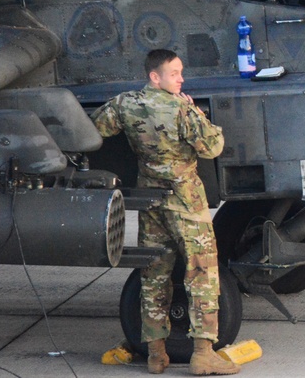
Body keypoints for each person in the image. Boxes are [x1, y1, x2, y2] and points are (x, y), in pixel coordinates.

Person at [91, 50, 239, 376]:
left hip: (151, 201)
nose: (181, 79)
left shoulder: (125, 103)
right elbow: (213, 146)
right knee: (202, 275)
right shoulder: (181, 109)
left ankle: (156, 355)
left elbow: (95, 128)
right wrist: (195, 111)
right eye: (174, 73)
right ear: (155, 77)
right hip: (186, 204)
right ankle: (202, 354)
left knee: (154, 278)